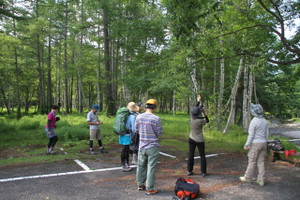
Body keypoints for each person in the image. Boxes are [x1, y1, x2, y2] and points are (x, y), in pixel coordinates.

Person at [136, 99, 163, 195]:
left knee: (141, 166)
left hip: (142, 146)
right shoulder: (156, 118)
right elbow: (159, 133)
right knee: (151, 167)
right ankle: (149, 188)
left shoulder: (138, 117)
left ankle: (140, 184)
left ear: (146, 106)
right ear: (154, 107)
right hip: (152, 146)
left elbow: (137, 130)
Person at [240, 103, 269, 186]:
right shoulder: (265, 121)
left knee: (252, 161)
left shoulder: (254, 121)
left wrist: (247, 144)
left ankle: (247, 177)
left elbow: (251, 135)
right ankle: (261, 180)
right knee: (261, 162)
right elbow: (267, 134)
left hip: (255, 144)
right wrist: (266, 143)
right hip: (263, 143)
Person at [187, 95, 209, 177]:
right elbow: (207, 120)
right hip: (199, 140)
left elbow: (195, 109)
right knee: (202, 155)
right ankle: (203, 172)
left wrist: (198, 101)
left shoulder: (191, 118)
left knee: (191, 155)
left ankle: (189, 171)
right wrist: (204, 112)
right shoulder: (200, 121)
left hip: (191, 138)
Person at [119, 102, 139, 172]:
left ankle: (124, 164)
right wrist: (133, 137)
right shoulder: (132, 116)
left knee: (124, 149)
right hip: (127, 135)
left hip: (121, 133)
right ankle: (125, 165)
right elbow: (133, 129)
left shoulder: (123, 114)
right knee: (126, 150)